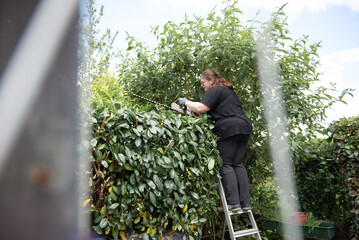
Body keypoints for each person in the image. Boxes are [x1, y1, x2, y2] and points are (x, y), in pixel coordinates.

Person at [177, 69, 253, 212]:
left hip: (229, 129)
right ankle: (245, 203)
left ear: (211, 81)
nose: (202, 85)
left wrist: (185, 102)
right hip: (244, 127)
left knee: (225, 165)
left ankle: (234, 204)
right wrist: (191, 112)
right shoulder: (228, 91)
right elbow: (207, 112)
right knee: (237, 164)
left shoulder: (215, 90)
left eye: (203, 82)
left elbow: (201, 107)